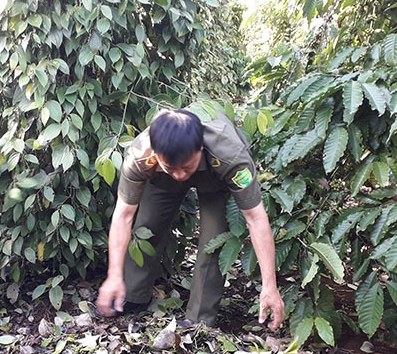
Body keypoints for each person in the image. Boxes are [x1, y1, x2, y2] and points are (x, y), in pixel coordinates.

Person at [95, 108, 285, 331]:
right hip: (160, 177)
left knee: (212, 243)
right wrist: (114, 276)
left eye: (186, 167)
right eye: (172, 168)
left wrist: (270, 287)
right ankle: (133, 295)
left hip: (214, 179)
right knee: (147, 227)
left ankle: (199, 320)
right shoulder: (140, 156)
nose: (180, 175)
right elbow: (124, 216)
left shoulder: (231, 158)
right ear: (155, 152)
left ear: (201, 148)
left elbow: (256, 218)